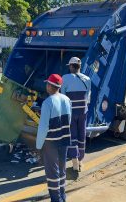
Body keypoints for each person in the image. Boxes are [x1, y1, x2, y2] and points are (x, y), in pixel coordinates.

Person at [36, 74, 71, 202]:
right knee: (62, 170)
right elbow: (69, 120)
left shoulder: (47, 103)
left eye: (47, 84)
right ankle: (62, 197)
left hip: (51, 143)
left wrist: (39, 145)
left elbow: (43, 128)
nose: (46, 86)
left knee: (52, 174)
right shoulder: (67, 99)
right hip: (65, 139)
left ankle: (56, 200)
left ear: (50, 86)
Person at [61, 57, 91, 174]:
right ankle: (80, 160)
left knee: (72, 135)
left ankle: (74, 160)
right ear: (80, 66)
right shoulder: (87, 79)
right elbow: (88, 97)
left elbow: (63, 97)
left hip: (71, 112)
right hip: (83, 111)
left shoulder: (65, 78)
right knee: (82, 135)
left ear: (72, 66)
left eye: (69, 66)